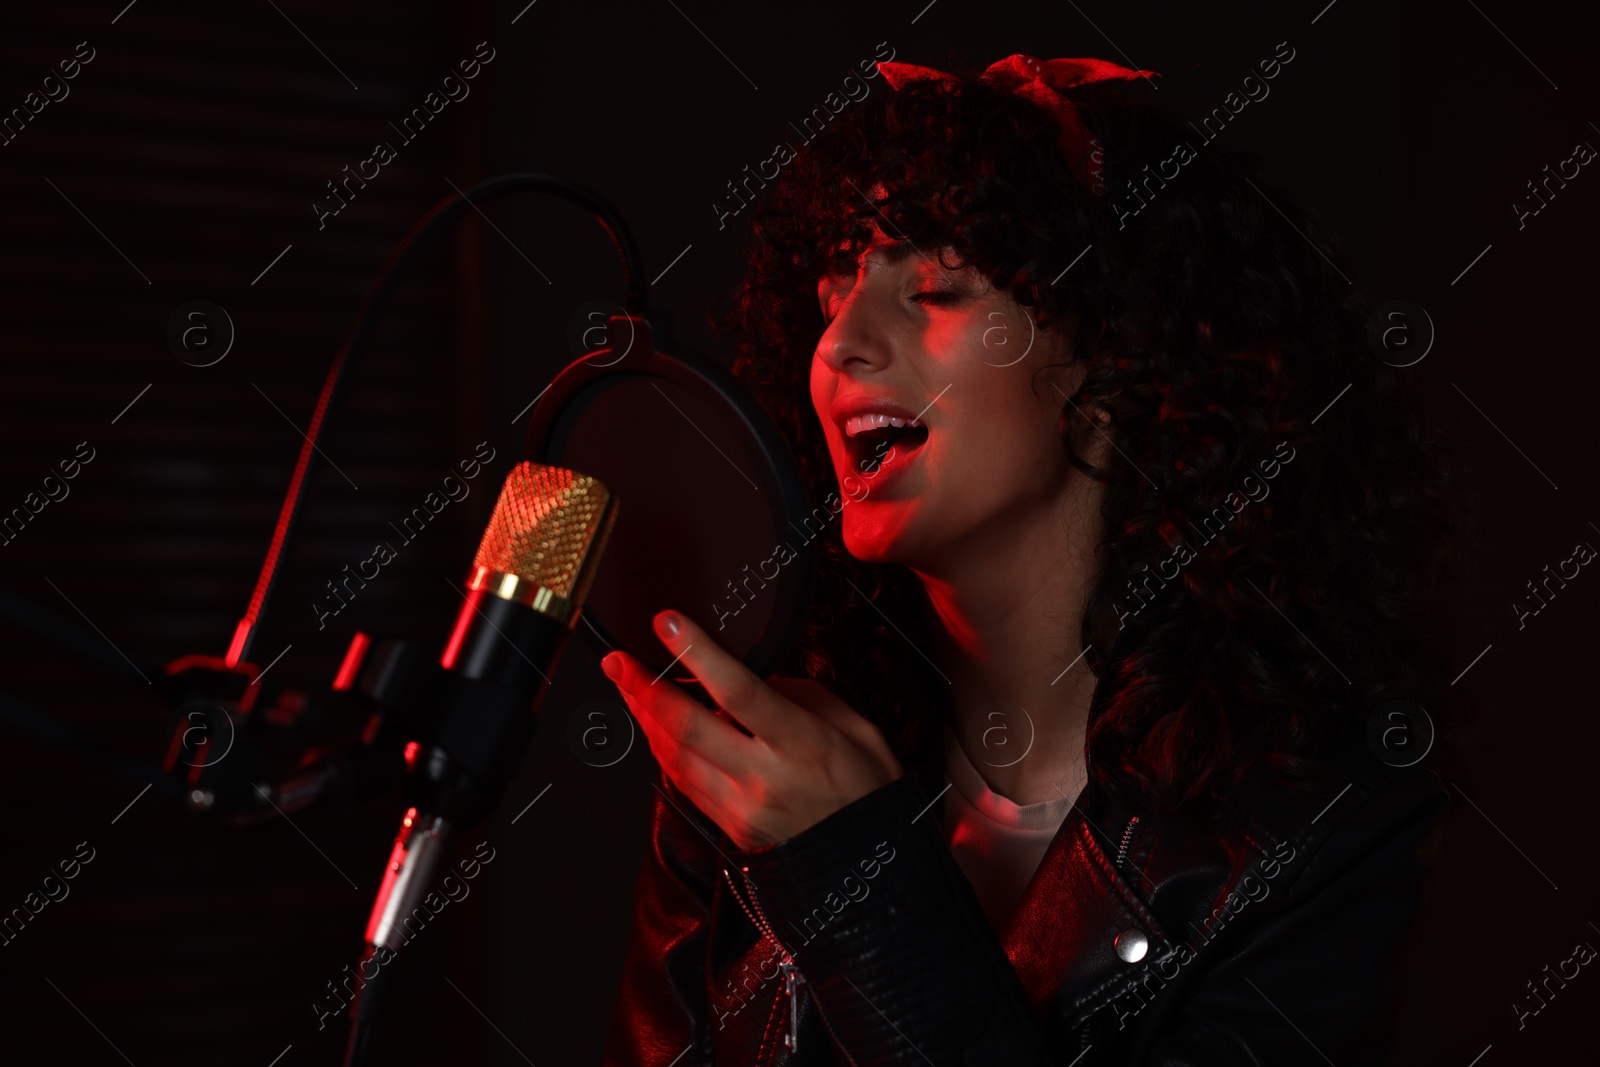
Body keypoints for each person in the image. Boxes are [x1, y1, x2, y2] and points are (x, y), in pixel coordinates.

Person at [598, 52, 1471, 1066]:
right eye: (835, 284)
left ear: (1114, 366)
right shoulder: (752, 762)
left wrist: (852, 870)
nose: (839, 341)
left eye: (934, 284)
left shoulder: (1313, 827)